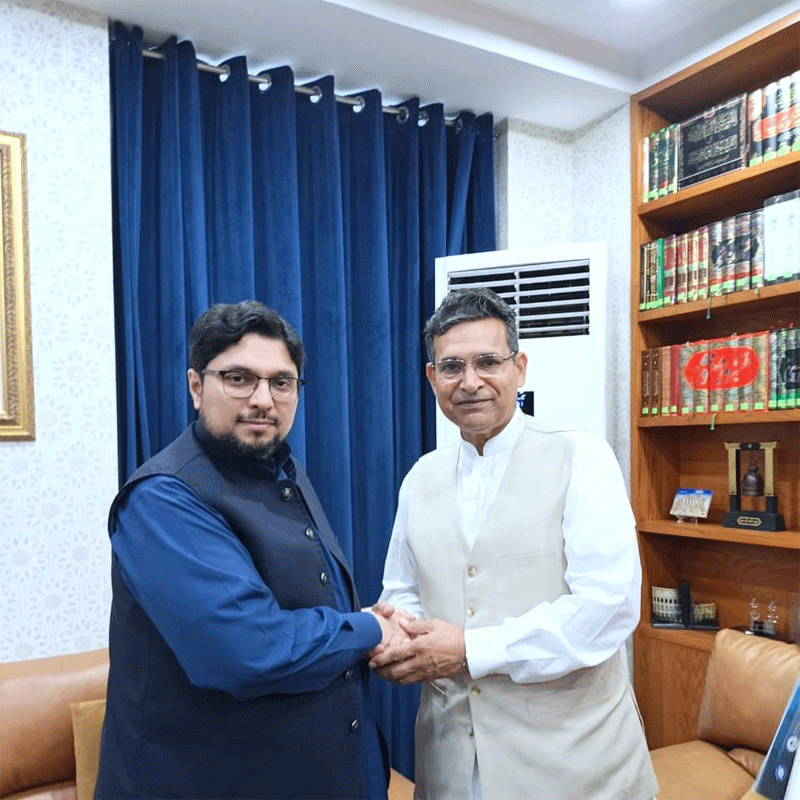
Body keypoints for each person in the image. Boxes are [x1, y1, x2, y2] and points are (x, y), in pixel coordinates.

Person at [95, 300, 407, 800]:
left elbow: (313, 607)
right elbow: (246, 652)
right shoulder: (163, 498)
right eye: (239, 379)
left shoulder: (281, 465)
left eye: (281, 382)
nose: (263, 399)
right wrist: (369, 627)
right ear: (196, 387)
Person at [370, 288, 658, 800]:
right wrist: (399, 633)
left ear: (519, 368)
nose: (471, 382)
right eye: (453, 366)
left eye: (488, 362)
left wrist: (470, 649)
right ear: (432, 377)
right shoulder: (419, 478)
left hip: (575, 770)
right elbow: (403, 590)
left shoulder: (582, 457)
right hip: (450, 766)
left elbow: (608, 607)